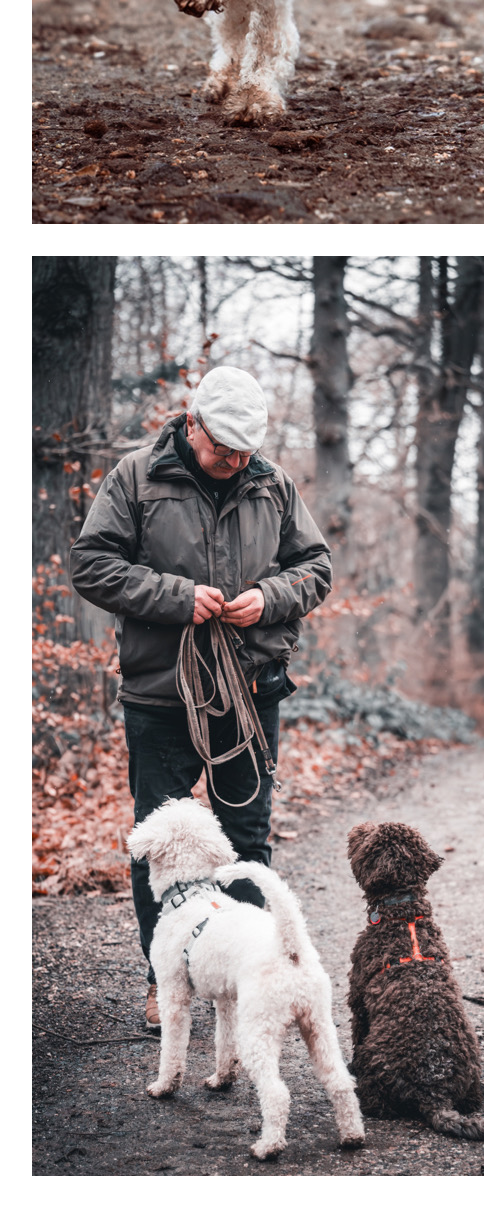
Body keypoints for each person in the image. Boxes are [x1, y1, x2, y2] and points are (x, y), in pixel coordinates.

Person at [68, 365, 333, 1029]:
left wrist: (269, 599)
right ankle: (166, 979)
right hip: (162, 694)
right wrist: (177, 598)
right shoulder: (134, 477)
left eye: (244, 452)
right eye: (223, 449)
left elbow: (316, 569)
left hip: (249, 688)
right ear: (193, 423)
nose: (234, 462)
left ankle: (250, 972)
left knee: (245, 835)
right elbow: (92, 565)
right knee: (163, 838)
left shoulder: (272, 485)